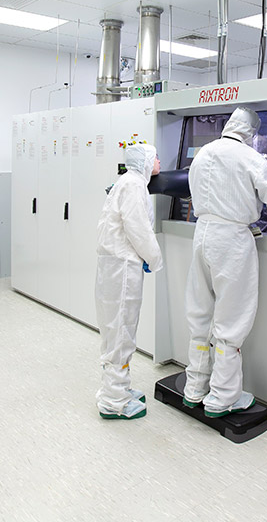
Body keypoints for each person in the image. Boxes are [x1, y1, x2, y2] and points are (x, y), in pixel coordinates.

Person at [183, 108, 267, 418]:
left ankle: (195, 388)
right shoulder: (251, 158)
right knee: (231, 320)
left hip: (201, 233)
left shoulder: (204, 153)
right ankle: (222, 397)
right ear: (251, 134)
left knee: (200, 313)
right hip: (231, 240)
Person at [95, 143, 164, 420]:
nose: (159, 160)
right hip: (123, 267)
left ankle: (118, 387)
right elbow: (138, 228)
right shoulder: (135, 185)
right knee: (122, 330)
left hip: (114, 263)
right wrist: (155, 257)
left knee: (116, 329)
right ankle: (114, 401)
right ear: (146, 160)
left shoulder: (127, 181)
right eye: (156, 156)